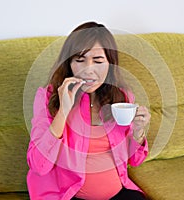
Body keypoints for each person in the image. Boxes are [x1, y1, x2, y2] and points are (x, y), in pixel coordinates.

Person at [27, 21, 151, 200]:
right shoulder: (47, 97)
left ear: (110, 64)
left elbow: (135, 160)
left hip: (119, 194)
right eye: (80, 60)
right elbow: (39, 165)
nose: (88, 70)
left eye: (98, 61)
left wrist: (139, 131)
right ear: (69, 63)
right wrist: (63, 111)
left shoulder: (121, 98)